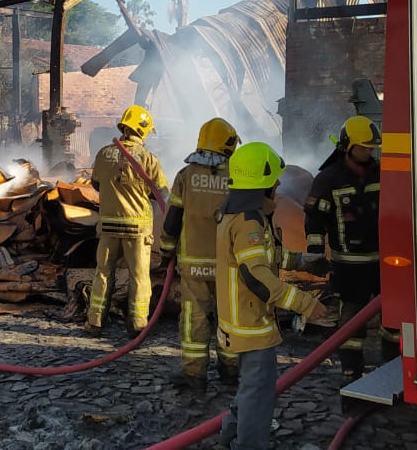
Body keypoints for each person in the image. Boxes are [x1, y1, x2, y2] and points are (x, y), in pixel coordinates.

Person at [217, 142, 329, 450]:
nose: (279, 184)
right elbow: (257, 276)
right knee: (258, 392)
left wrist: (303, 261)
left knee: (250, 387)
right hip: (251, 324)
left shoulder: (241, 213)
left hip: (241, 319)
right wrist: (306, 304)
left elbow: (262, 260)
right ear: (262, 182)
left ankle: (231, 435)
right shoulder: (248, 222)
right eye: (274, 180)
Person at [303, 115, 399, 381]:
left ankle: (393, 367)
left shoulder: (382, 173)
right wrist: (315, 252)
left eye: (371, 148)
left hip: (383, 263)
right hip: (349, 266)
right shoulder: (328, 179)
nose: (368, 152)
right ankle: (351, 373)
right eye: (363, 147)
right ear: (348, 146)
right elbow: (314, 217)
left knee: (393, 321)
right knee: (351, 323)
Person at [159, 117, 240, 393]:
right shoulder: (238, 175)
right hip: (229, 262)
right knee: (229, 317)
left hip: (194, 263)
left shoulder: (186, 176)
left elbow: (173, 219)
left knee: (195, 317)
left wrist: (165, 250)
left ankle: (195, 374)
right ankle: (231, 371)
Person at [85, 104, 168, 337]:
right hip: (137, 229)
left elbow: (96, 184)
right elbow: (162, 192)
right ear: (142, 130)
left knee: (103, 272)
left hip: (109, 226)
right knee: (139, 277)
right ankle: (138, 324)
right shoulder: (149, 158)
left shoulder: (103, 154)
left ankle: (95, 321)